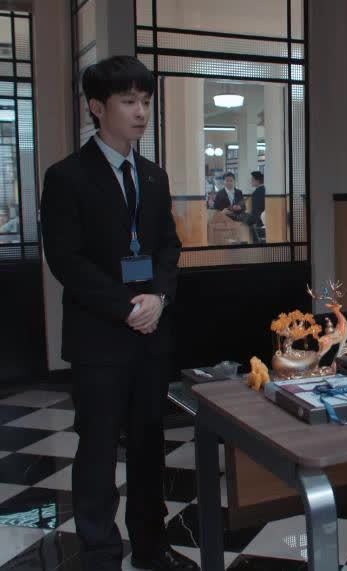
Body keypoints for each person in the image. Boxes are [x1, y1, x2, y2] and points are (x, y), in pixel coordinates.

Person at [40, 56, 197, 571]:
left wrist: (159, 299)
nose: (140, 112)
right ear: (96, 107)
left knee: (150, 446)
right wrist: (126, 306)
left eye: (145, 102)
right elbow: (66, 260)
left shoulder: (153, 176)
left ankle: (151, 547)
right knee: (98, 449)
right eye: (128, 101)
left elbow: (169, 247)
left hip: (150, 336)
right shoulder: (67, 177)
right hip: (99, 340)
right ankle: (101, 553)